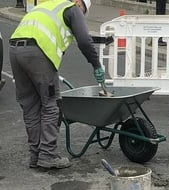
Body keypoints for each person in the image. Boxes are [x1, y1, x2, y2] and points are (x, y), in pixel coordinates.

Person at [9, 0, 105, 169]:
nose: (81, 15)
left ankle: (35, 155)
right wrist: (96, 65)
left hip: (15, 50)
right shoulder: (72, 8)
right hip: (37, 52)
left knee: (30, 105)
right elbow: (84, 40)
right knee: (52, 104)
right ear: (78, 3)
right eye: (83, 11)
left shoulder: (46, 6)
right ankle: (47, 155)